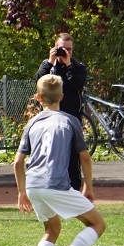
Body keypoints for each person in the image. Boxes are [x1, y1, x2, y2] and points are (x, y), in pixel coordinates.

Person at [15, 74, 106, 246]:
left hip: (34, 185)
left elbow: (18, 161)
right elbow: (84, 157)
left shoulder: (32, 123)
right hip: (55, 183)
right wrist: (89, 187)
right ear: (62, 96)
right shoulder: (70, 120)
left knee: (52, 227)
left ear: (38, 98)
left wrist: (21, 193)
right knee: (97, 224)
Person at [33, 32, 87, 189]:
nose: (66, 52)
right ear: (55, 48)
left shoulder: (78, 67)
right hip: (49, 121)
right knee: (49, 156)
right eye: (62, 49)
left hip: (70, 119)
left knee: (72, 159)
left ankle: (75, 192)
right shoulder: (49, 66)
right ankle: (50, 189)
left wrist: (68, 64)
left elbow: (77, 84)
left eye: (69, 49)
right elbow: (39, 81)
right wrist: (50, 62)